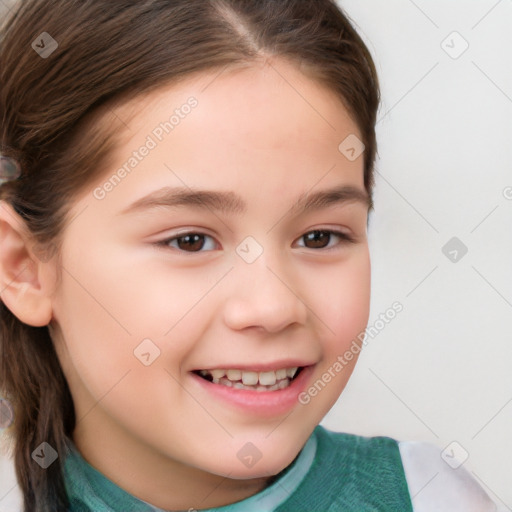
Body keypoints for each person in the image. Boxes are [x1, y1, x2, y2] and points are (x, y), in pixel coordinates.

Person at [0, 1, 501, 510]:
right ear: (22, 266)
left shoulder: (429, 498)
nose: (273, 306)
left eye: (320, 237)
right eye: (189, 240)